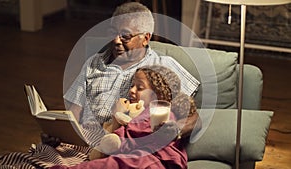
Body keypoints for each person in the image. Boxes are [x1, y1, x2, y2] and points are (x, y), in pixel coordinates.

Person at [63, 1, 200, 148]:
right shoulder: (94, 63)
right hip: (84, 142)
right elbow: (74, 113)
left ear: (145, 38)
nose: (116, 40)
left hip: (125, 145)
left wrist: (174, 131)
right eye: (112, 32)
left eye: (125, 36)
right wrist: (60, 133)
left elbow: (193, 117)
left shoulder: (162, 66)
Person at [52, 65, 200, 169]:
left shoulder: (154, 113)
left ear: (159, 94)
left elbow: (127, 138)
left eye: (140, 87)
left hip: (151, 160)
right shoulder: (138, 113)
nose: (132, 91)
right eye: (132, 85)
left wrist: (117, 130)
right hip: (150, 159)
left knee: (110, 164)